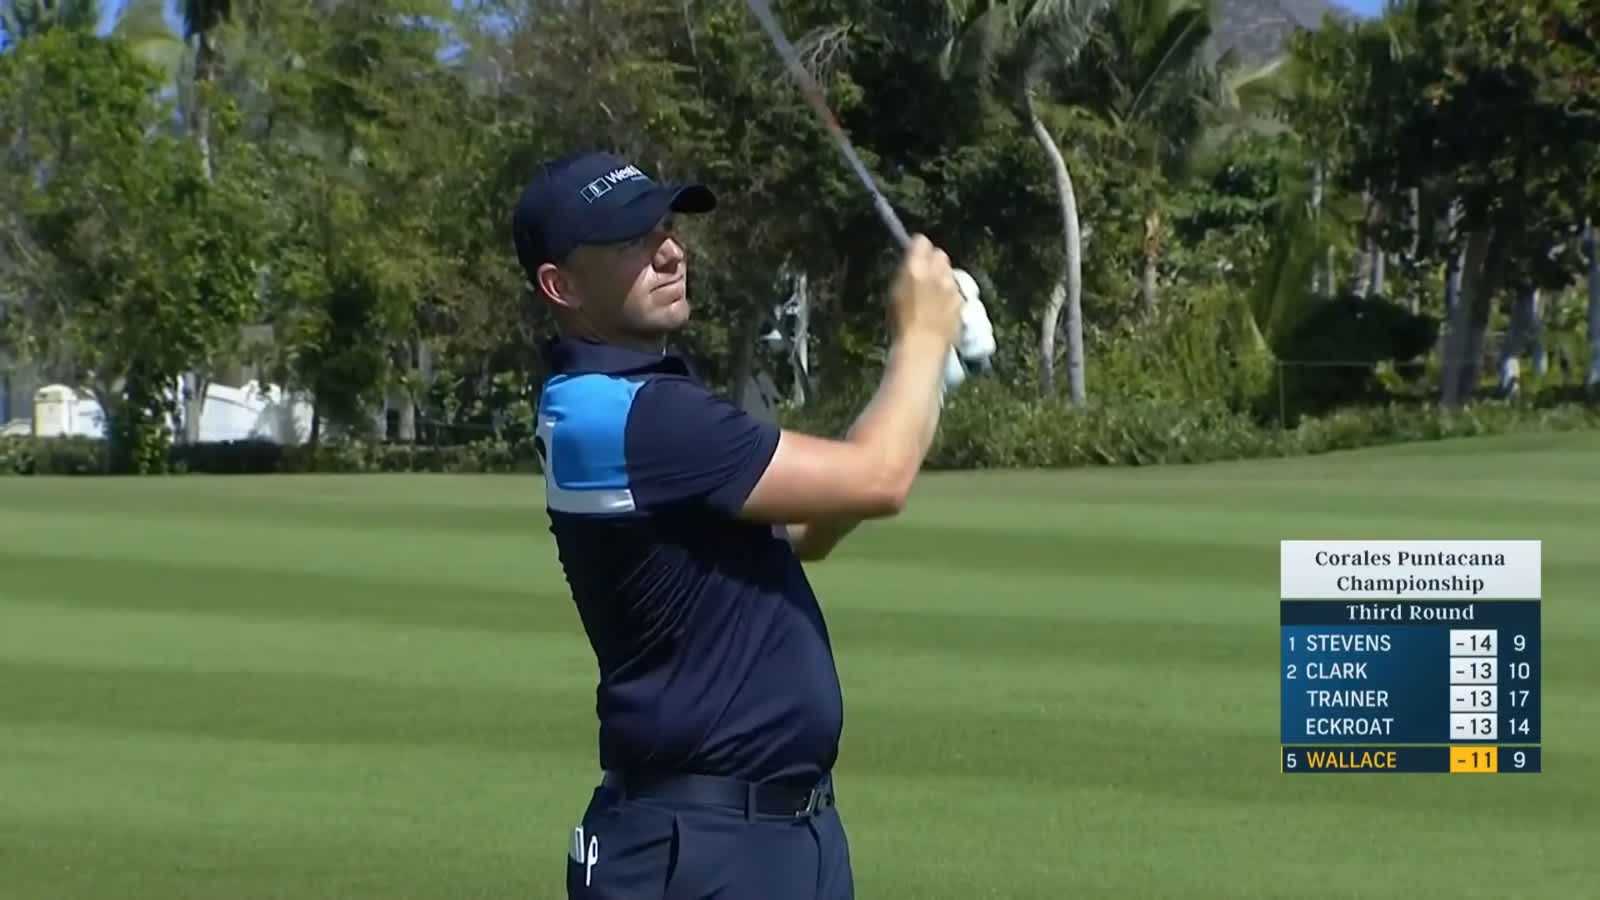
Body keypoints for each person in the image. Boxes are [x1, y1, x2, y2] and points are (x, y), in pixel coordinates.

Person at [512, 150, 963, 900]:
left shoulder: (624, 403)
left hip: (776, 836)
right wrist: (921, 339)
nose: (667, 251)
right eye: (628, 242)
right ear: (561, 286)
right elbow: (880, 480)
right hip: (706, 846)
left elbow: (810, 528)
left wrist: (924, 378)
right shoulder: (643, 418)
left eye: (662, 228)